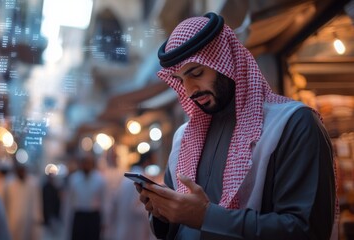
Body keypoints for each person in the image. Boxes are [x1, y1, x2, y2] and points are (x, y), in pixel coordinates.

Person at [136, 12, 337, 240]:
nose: (190, 90)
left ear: (227, 62)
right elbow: (181, 226)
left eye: (197, 73)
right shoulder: (183, 138)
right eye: (181, 80)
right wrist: (164, 214)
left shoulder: (292, 124)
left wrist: (206, 217)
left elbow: (307, 230)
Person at [114, 151, 156, 240]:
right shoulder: (142, 179)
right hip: (135, 227)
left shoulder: (125, 178)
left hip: (123, 225)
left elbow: (115, 201)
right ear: (147, 161)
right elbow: (137, 207)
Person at [65, 153, 106, 240]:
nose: (86, 165)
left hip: (93, 217)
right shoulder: (74, 178)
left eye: (89, 162)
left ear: (92, 164)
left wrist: (104, 221)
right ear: (81, 164)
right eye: (84, 162)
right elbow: (69, 201)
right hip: (79, 216)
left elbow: (104, 201)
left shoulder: (100, 179)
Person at [6, 162, 43, 240]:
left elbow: (37, 202)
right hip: (13, 219)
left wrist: (37, 218)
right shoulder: (10, 185)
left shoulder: (32, 184)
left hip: (28, 220)